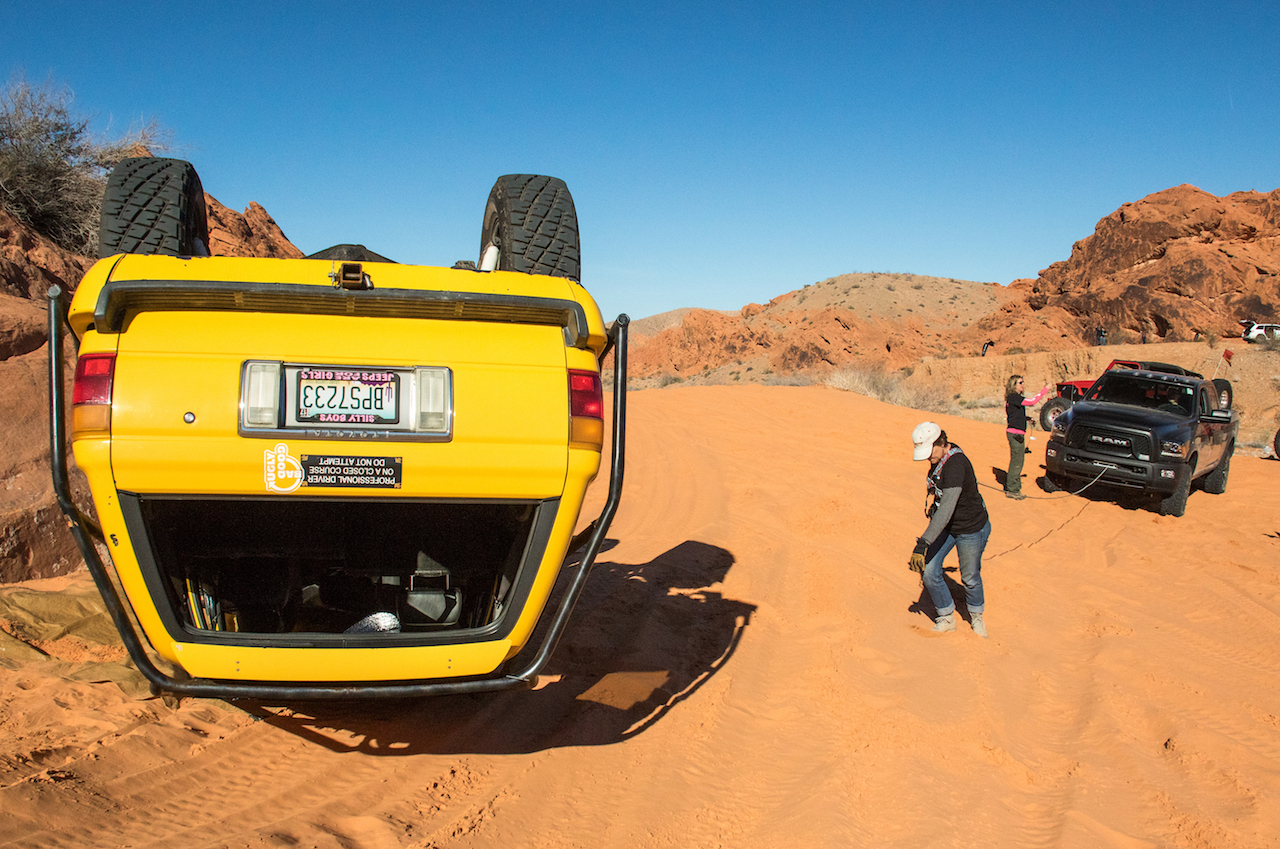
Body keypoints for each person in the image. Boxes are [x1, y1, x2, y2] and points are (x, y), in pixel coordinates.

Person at [909, 422, 992, 637]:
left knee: (970, 577)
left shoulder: (956, 465)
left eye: (930, 452)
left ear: (940, 443)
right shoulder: (940, 459)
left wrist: (923, 542)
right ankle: (946, 616)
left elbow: (947, 508)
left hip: (970, 529)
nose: (928, 457)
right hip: (948, 527)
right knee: (929, 572)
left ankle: (976, 615)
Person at [1004, 375, 1049, 500]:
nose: (1023, 385)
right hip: (1015, 434)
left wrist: (1026, 419)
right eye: (1020, 382)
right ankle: (1012, 490)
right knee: (1016, 462)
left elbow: (1014, 415)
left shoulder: (1013, 399)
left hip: (1017, 433)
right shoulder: (1014, 397)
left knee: (1018, 461)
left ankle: (1014, 486)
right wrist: (1045, 390)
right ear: (1014, 385)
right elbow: (1032, 402)